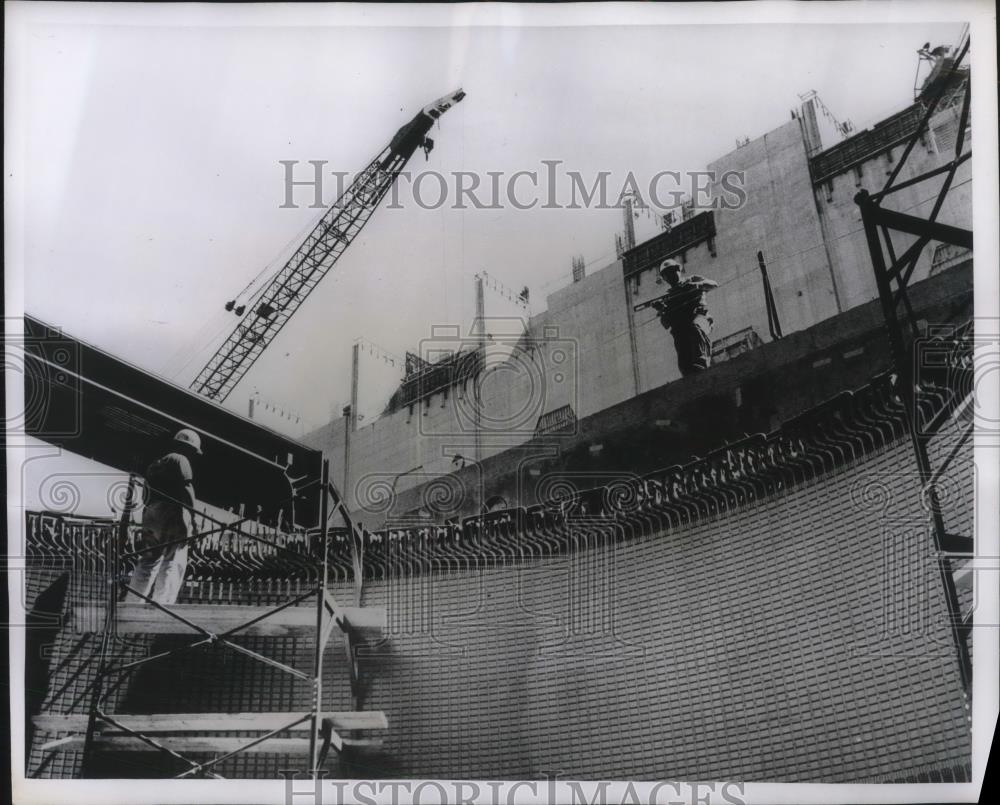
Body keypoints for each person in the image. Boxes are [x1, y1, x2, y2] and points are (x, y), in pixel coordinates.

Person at [125, 428, 203, 604]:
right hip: (172, 513)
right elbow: (186, 488)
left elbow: (146, 493)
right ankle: (163, 604)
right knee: (173, 559)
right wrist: (194, 517)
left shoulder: (157, 463)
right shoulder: (180, 459)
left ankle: (133, 601)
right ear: (189, 448)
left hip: (152, 512)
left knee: (149, 560)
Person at [654, 259, 719, 376]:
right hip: (683, 327)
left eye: (672, 271)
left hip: (701, 319)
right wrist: (662, 309)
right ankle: (687, 370)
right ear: (664, 278)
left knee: (694, 328)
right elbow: (666, 324)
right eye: (666, 275)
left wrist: (697, 285)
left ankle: (701, 361)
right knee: (678, 334)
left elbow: (714, 284)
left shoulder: (692, 280)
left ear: (678, 270)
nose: (670, 276)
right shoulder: (668, 297)